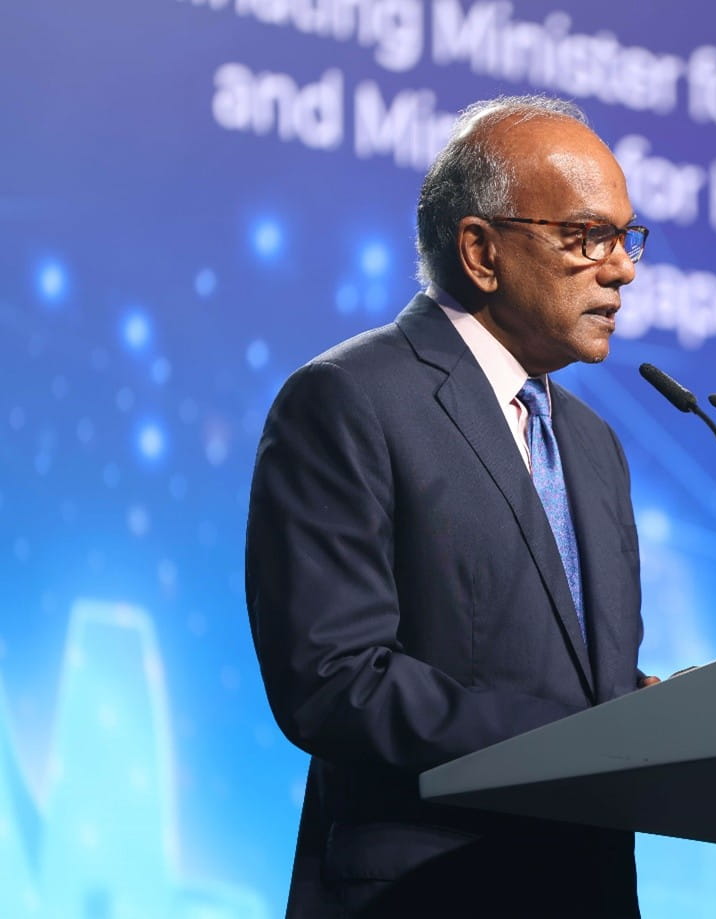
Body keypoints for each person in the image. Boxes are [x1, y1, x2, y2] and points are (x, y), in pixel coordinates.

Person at [245, 94, 653, 918]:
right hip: (423, 893)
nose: (622, 268)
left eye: (625, 237)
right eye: (586, 238)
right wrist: (576, 737)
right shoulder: (348, 398)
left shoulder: (595, 445)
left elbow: (581, 680)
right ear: (481, 250)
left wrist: (662, 713)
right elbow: (334, 679)